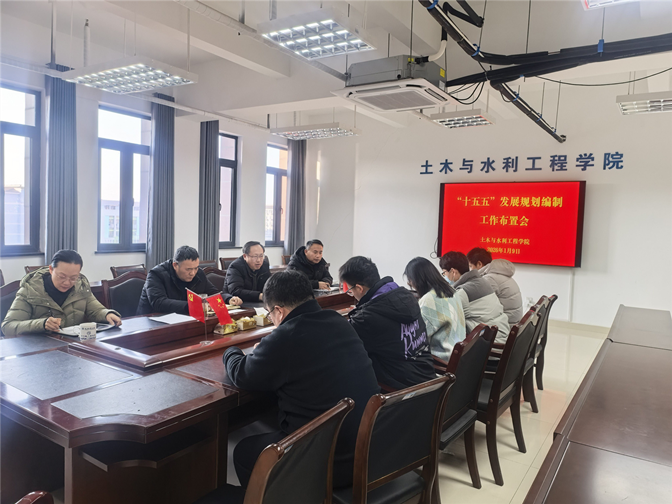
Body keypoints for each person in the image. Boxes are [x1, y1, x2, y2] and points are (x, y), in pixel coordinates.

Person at [223, 270, 379, 488]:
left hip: (329, 461)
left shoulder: (287, 335)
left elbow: (241, 374)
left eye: (269, 314)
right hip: (368, 448)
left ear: (279, 311)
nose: (271, 320)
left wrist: (231, 350)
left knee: (244, 452)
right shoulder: (338, 321)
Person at [339, 256, 435, 391]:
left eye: (350, 291)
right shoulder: (407, 296)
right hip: (428, 378)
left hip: (404, 392)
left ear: (359, 288)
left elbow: (344, 350)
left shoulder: (366, 318)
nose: (352, 294)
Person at [2, 250, 121, 336]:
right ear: (51, 269)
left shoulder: (81, 287)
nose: (67, 282)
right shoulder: (30, 290)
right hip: (39, 350)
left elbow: (96, 310)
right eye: (62, 276)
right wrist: (42, 324)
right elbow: (8, 326)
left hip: (71, 347)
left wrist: (107, 314)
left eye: (73, 278)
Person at [137, 246, 242, 315]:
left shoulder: (198, 273)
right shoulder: (156, 274)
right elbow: (159, 303)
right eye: (188, 269)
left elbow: (213, 293)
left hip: (184, 319)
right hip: (152, 321)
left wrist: (228, 298)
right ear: (175, 265)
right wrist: (193, 306)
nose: (193, 273)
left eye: (195, 268)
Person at [404, 257, 467, 361]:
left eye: (410, 279)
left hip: (442, 360)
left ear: (418, 279)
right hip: (457, 355)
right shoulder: (451, 291)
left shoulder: (429, 299)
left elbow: (418, 339)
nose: (409, 283)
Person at [440, 251, 510, 343]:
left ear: (453, 272)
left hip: (490, 344)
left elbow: (443, 318)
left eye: (444, 273)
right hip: (501, 334)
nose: (443, 276)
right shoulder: (482, 282)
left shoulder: (463, 292)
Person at [467, 247, 524, 325]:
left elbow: (477, 305)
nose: (469, 270)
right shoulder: (499, 274)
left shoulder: (489, 279)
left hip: (506, 326)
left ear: (479, 264)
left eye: (470, 266)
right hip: (513, 322)